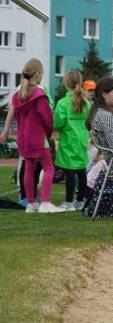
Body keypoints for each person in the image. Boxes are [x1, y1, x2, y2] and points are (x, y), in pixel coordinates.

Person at [12, 59, 64, 213]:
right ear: (38, 74)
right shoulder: (39, 95)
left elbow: (18, 117)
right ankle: (46, 203)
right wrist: (48, 133)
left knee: (29, 168)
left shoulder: (18, 96)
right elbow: (47, 118)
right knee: (48, 167)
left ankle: (31, 203)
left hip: (23, 136)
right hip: (38, 136)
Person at [53, 70, 91, 211]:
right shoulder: (86, 103)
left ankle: (69, 203)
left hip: (68, 139)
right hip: (82, 140)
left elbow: (57, 123)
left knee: (70, 171)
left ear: (66, 83)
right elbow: (89, 121)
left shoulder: (63, 103)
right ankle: (80, 201)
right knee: (81, 171)